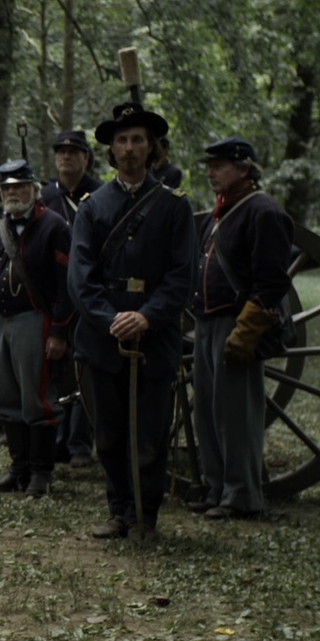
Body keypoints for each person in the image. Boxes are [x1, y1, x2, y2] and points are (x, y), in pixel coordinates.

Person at [68, 103, 196, 539]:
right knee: (108, 433)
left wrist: (146, 317)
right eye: (121, 141)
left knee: (150, 434)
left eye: (137, 139)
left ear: (151, 147)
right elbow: (81, 279)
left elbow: (183, 276)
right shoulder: (92, 207)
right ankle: (118, 510)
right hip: (103, 339)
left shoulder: (175, 206)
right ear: (109, 151)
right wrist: (112, 320)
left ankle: (146, 516)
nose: (129, 148)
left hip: (154, 338)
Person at [191, 137, 291, 520]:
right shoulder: (221, 213)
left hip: (236, 323)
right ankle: (217, 488)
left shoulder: (263, 212)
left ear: (245, 168)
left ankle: (242, 494)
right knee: (208, 412)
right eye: (210, 166)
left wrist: (247, 330)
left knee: (236, 416)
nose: (212, 172)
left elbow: (271, 281)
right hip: (206, 320)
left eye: (221, 165)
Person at [0, 161, 73, 497]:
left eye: (19, 187)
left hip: (34, 321)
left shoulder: (54, 226)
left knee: (37, 401)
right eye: (7, 189)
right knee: (5, 398)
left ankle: (41, 474)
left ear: (34, 190)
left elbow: (64, 285)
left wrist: (58, 331)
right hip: (0, 322)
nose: (13, 193)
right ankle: (19, 468)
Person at [40, 130, 103, 468]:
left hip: (91, 293)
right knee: (57, 373)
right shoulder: (46, 195)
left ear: (86, 158)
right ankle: (59, 440)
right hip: (54, 293)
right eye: (61, 152)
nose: (65, 157)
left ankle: (80, 443)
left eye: (73, 152)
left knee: (85, 370)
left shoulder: (102, 194)